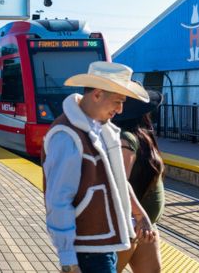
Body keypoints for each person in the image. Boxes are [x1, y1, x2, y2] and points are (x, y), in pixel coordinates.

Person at [42, 61, 156, 273]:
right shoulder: (67, 136)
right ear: (97, 94)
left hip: (103, 245)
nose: (120, 109)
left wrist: (140, 216)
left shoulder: (101, 129)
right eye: (118, 101)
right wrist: (68, 260)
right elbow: (58, 200)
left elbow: (118, 181)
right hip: (87, 250)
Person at [113, 90, 165, 273]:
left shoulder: (138, 136)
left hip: (144, 228)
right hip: (131, 225)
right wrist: (140, 216)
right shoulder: (125, 139)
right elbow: (119, 184)